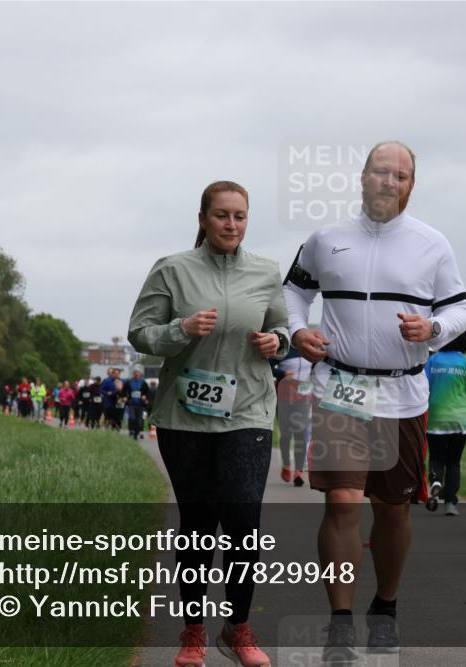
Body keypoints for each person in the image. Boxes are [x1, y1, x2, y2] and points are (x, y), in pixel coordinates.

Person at [283, 141, 466, 660]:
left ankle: (384, 606)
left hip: (403, 394)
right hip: (340, 389)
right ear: (362, 176)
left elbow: (459, 310)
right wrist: (299, 331)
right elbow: (293, 294)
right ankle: (340, 623)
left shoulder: (432, 244)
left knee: (392, 510)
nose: (390, 182)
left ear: (412, 185)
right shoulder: (326, 239)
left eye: (402, 175)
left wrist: (432, 327)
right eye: (382, 172)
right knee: (342, 502)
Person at [128, 180, 290, 667]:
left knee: (243, 520)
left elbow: (283, 329)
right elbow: (140, 333)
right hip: (186, 415)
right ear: (203, 218)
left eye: (240, 216)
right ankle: (193, 632)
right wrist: (182, 329)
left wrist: (276, 343)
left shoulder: (265, 272)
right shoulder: (172, 270)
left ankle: (238, 628)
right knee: (199, 525)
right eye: (222, 215)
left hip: (248, 411)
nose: (231, 224)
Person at [424, 330, 466, 515]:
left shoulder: (433, 361)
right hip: (460, 420)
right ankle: (450, 503)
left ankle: (436, 482)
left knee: (436, 457)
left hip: (435, 419)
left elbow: (423, 387)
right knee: (454, 462)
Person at [275, 347, 313, 487]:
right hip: (283, 398)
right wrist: (283, 373)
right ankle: (286, 464)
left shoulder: (310, 350)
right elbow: (267, 366)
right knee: (286, 434)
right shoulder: (284, 350)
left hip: (303, 399)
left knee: (301, 433)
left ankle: (298, 471)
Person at [126, 369, 150, 440]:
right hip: (131, 404)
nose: (136, 375)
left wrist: (145, 396)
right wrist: (125, 396)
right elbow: (124, 391)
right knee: (132, 418)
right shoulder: (129, 382)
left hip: (140, 404)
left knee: (139, 419)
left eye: (138, 373)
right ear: (133, 374)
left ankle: (137, 432)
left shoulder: (143, 382)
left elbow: (148, 392)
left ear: (140, 374)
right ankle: (131, 430)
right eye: (135, 373)